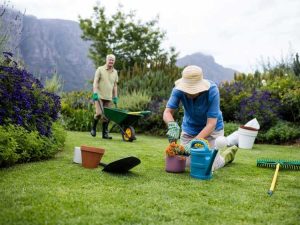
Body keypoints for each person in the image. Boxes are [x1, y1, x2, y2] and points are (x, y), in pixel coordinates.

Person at [163, 65, 238, 170]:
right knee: (186, 162)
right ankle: (219, 150)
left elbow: (211, 124)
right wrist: (172, 125)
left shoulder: (212, 90)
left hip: (212, 131)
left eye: (192, 89)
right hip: (190, 130)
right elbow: (167, 112)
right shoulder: (178, 89)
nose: (189, 92)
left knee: (209, 165)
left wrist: (195, 142)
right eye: (187, 89)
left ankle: (227, 155)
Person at [90, 54, 119, 139]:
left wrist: (115, 97)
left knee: (107, 116)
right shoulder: (100, 69)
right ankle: (93, 128)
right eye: (110, 59)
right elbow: (95, 82)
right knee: (99, 113)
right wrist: (95, 93)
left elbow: (115, 86)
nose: (111, 61)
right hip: (99, 96)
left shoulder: (115, 72)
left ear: (114, 61)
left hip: (108, 97)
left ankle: (105, 134)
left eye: (113, 60)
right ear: (106, 60)